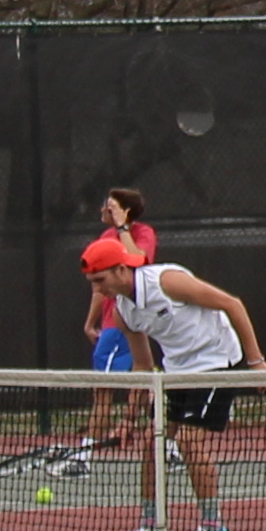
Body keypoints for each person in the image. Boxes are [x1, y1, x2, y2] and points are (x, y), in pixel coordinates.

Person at [107, 246, 263, 531]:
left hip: (216, 362)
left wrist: (256, 362)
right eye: (91, 282)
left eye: (100, 279)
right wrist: (128, 420)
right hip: (176, 370)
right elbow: (142, 365)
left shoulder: (168, 281)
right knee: (154, 443)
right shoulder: (123, 310)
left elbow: (232, 304)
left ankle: (213, 530)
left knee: (190, 442)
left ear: (121, 270)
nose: (96, 288)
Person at [78, 187, 161, 453]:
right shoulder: (105, 236)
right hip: (114, 322)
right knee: (138, 379)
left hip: (127, 320)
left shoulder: (143, 234)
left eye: (110, 206)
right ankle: (155, 429)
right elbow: (98, 287)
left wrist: (123, 228)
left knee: (104, 388)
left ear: (125, 212)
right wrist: (91, 323)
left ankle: (86, 451)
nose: (104, 210)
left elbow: (137, 260)